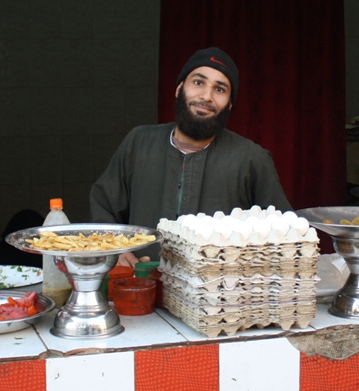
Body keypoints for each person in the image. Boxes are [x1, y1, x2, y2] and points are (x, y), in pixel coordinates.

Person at [89, 46, 292, 266]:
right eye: (198, 82)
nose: (206, 96)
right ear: (178, 89)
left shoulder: (251, 159)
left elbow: (283, 232)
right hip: (140, 287)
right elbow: (104, 210)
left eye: (220, 89)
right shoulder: (139, 142)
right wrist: (116, 252)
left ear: (230, 105)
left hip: (219, 295)